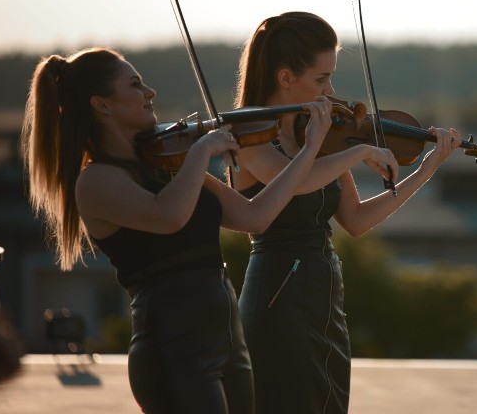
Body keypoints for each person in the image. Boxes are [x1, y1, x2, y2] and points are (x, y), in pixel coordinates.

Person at [20, 47, 333, 414]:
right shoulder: (96, 181)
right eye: (136, 85)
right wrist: (201, 152)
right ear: (102, 104)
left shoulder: (167, 165)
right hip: (172, 347)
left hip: (228, 342)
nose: (150, 92)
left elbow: (255, 217)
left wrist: (309, 150)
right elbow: (168, 216)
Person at [233, 12, 461, 413]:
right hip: (278, 296)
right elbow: (294, 182)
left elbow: (355, 220)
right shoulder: (250, 137)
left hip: (324, 293)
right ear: (287, 78)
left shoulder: (316, 134)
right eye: (321, 79)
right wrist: (356, 151)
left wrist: (425, 171)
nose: (331, 89)